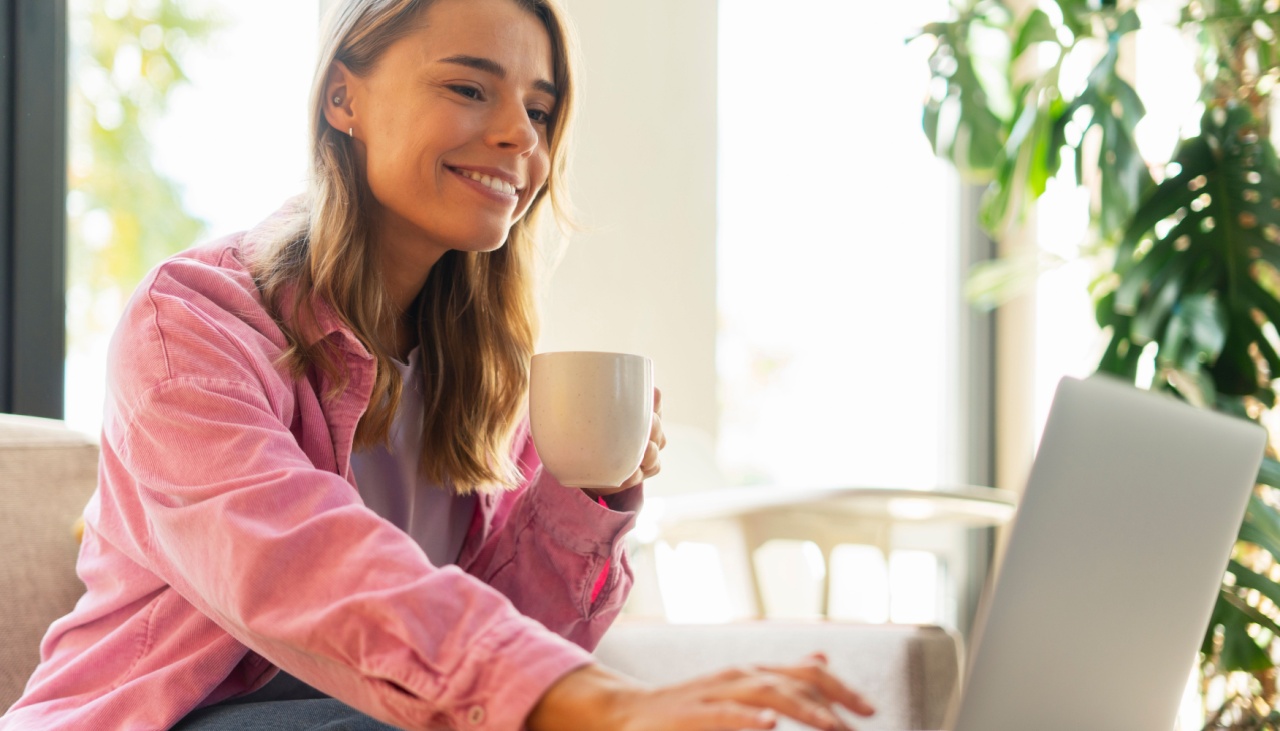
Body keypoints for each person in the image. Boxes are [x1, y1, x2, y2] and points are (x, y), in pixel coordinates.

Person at [1, 0, 877, 729]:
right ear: (343, 96)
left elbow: (501, 649)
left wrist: (584, 494)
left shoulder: (487, 374)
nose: (518, 139)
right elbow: (303, 567)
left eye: (539, 110)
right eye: (468, 86)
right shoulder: (193, 324)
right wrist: (603, 705)